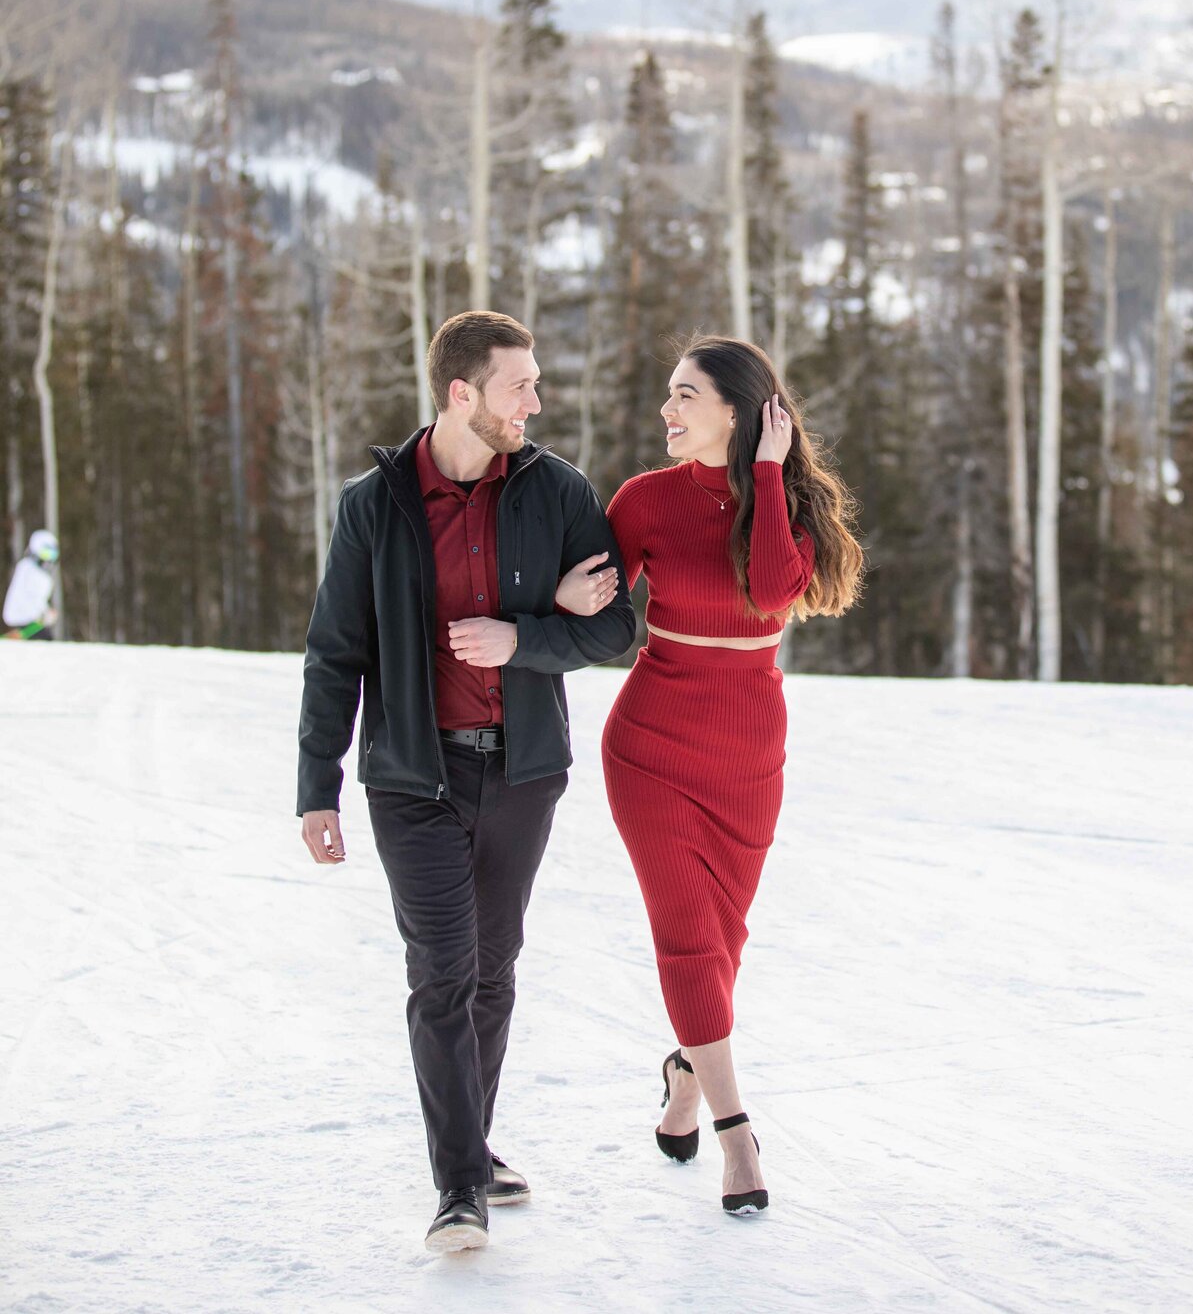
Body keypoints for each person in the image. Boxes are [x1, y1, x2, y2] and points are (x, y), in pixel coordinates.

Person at [297, 310, 634, 1254]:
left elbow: (617, 630)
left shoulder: (558, 490)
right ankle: (458, 1188)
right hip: (413, 775)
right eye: (518, 385)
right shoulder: (375, 504)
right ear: (461, 393)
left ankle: (472, 1151)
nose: (536, 401)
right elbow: (335, 651)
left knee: (492, 969)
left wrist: (526, 633)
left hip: (524, 771)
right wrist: (316, 786)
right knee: (443, 972)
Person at [556, 335, 863, 1216]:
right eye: (668, 395)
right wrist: (571, 603)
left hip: (750, 750)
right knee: (689, 939)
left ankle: (686, 1075)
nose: (668, 412)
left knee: (723, 940)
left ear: (740, 410)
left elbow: (771, 593)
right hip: (651, 747)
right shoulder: (645, 500)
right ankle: (739, 1138)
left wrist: (765, 475)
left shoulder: (785, 504)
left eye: (686, 396)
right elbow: (603, 611)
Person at [3, 530, 60, 641]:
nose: (48, 558)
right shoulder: (29, 570)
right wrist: (46, 613)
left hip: (32, 622)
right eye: (46, 553)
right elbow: (33, 596)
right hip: (24, 622)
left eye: (52, 554)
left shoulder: (36, 572)